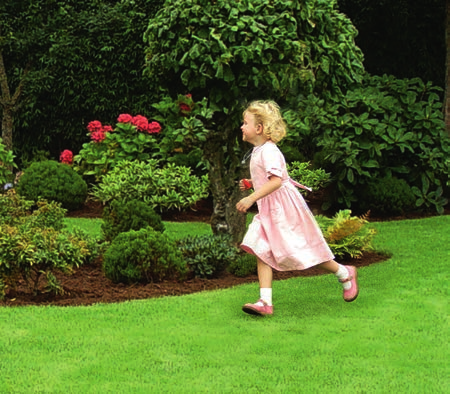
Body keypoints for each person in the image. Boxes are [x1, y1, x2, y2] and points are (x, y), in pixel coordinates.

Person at [236, 100, 359, 316]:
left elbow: (276, 181)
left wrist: (250, 198)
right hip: (269, 210)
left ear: (259, 128)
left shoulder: (269, 151)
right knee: (260, 248)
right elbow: (266, 177)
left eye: (245, 123)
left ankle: (343, 272)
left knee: (300, 250)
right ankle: (265, 302)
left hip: (283, 210)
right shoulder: (259, 150)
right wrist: (251, 182)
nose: (241, 127)